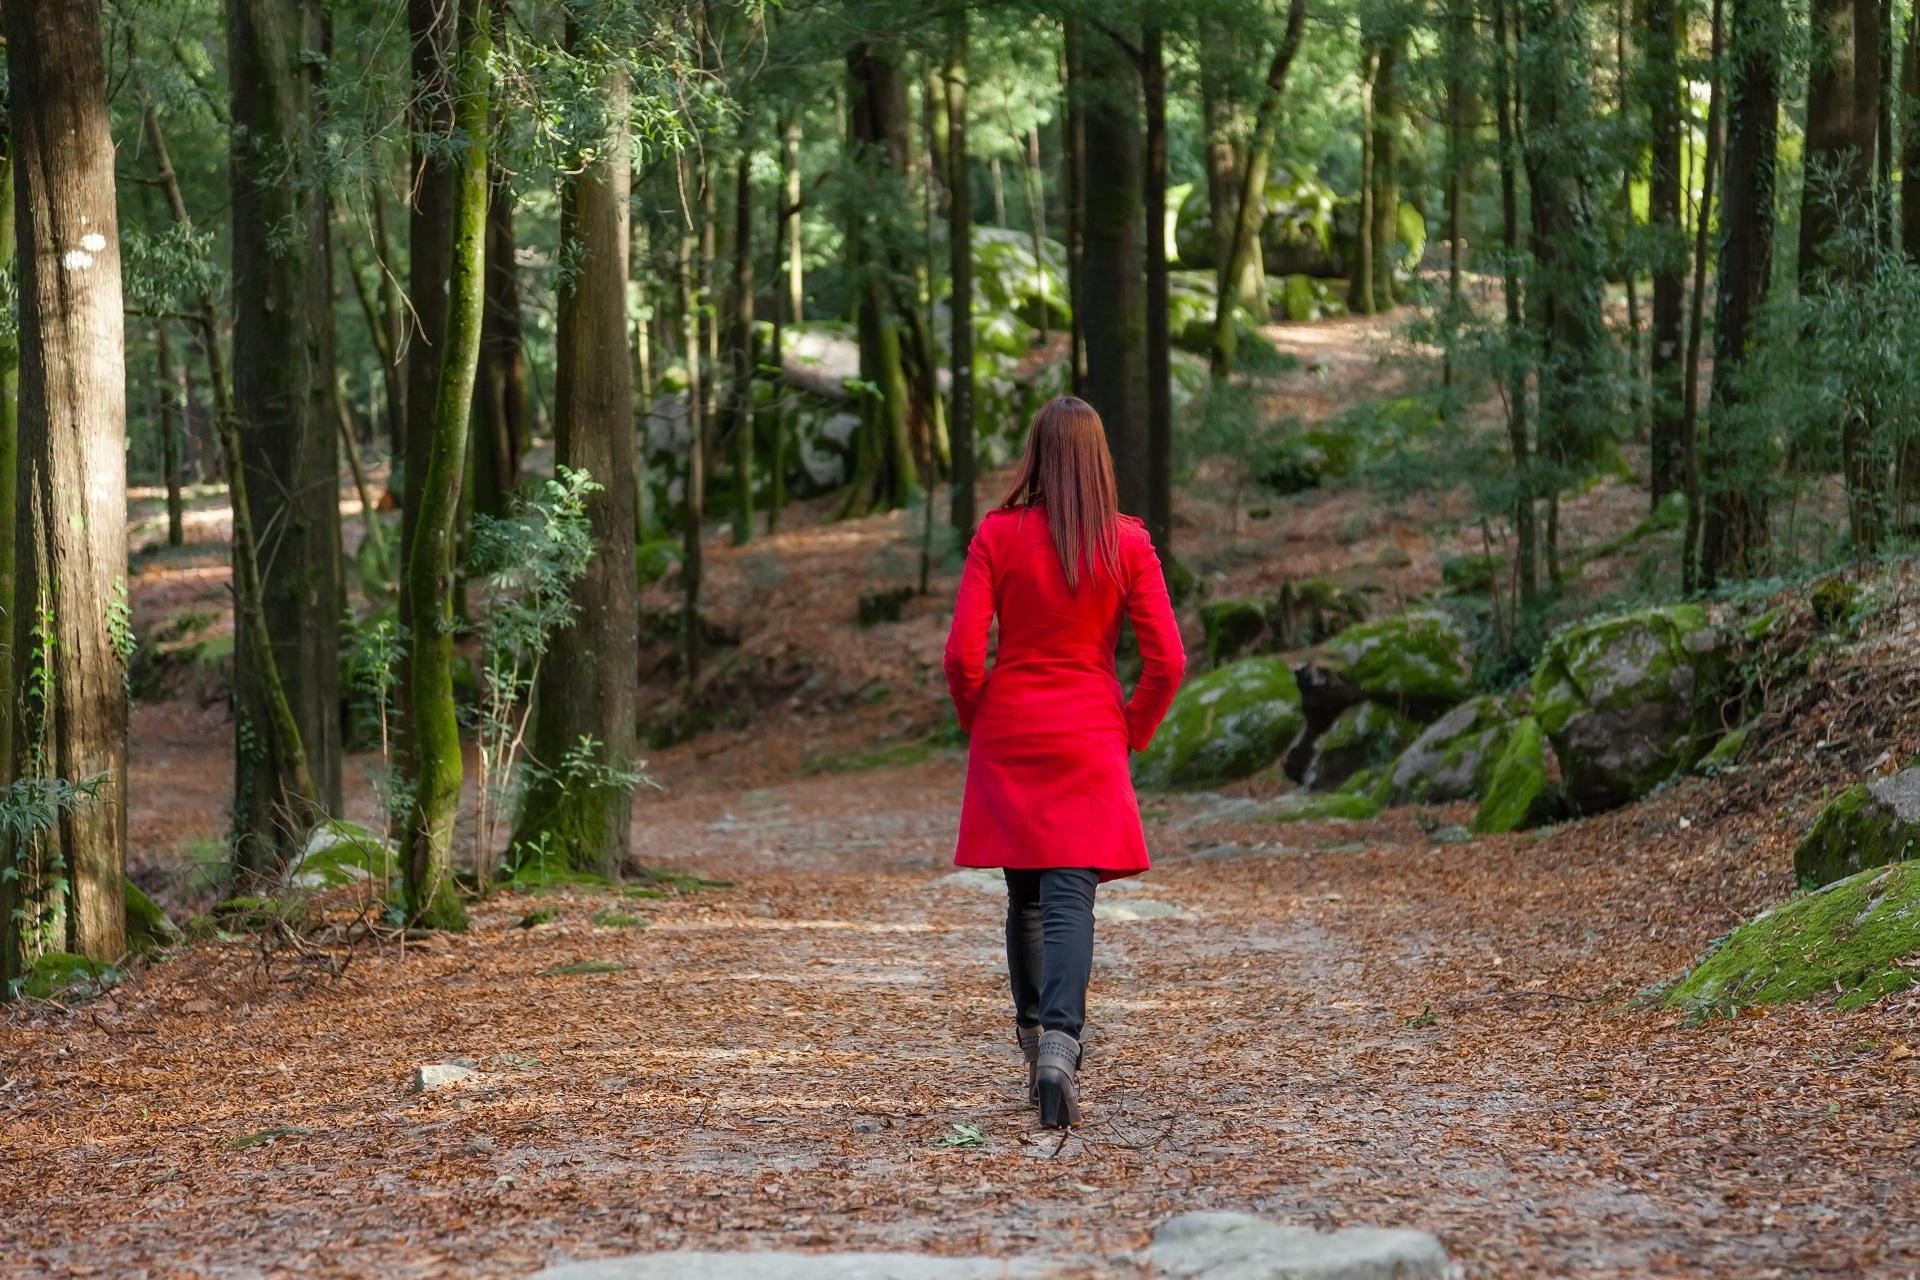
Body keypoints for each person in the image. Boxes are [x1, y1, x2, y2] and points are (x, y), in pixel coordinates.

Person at [942, 396, 1186, 1128]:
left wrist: (978, 717)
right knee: (1071, 897)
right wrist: (1130, 729)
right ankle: (1060, 1046)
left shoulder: (997, 535)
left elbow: (960, 655)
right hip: (1087, 733)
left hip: (1012, 728)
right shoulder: (1128, 545)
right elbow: (1168, 661)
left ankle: (1030, 1038)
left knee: (1027, 897)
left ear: (1036, 456)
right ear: (1099, 459)